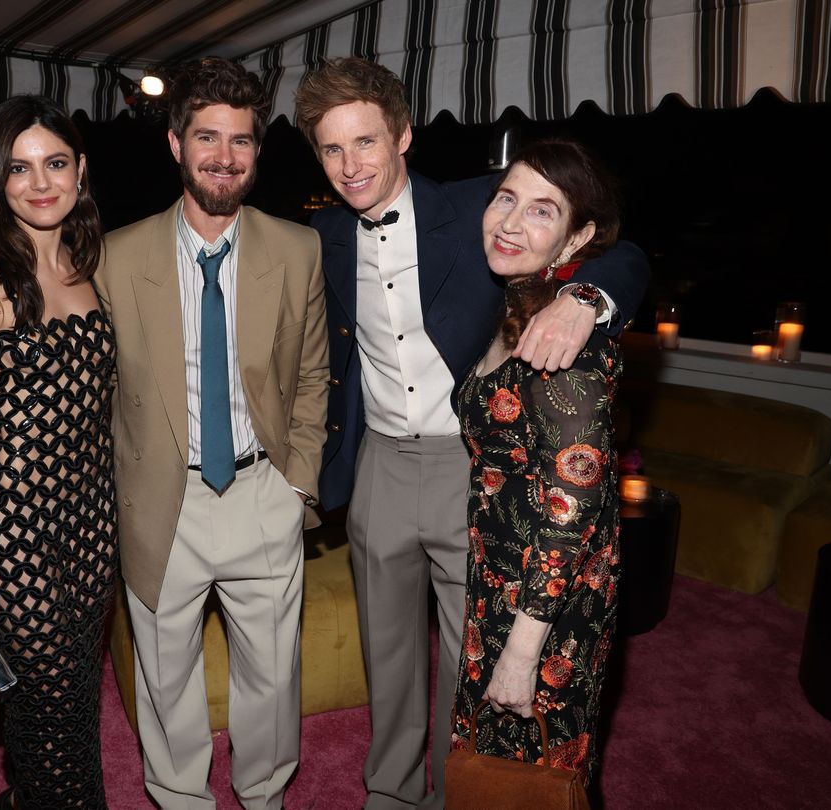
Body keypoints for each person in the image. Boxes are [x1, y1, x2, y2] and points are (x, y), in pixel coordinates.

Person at [293, 58, 648, 810]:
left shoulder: (483, 209)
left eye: (365, 142)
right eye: (332, 149)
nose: (351, 165)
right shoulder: (319, 233)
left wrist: (588, 296)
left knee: (473, 657)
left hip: (473, 470)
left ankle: (465, 794)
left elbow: (624, 250)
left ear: (403, 137)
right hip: (380, 467)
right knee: (386, 656)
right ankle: (389, 792)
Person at [0, 58, 329, 809]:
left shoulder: (300, 250)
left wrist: (298, 484)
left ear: (258, 152)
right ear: (176, 143)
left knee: (273, 677)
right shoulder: (113, 257)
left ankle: (264, 796)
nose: (223, 156)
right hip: (158, 501)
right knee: (165, 681)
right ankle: (181, 801)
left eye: (241, 141)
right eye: (207, 136)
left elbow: (313, 380)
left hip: (262, 488)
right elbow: (59, 359)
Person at [0, 94, 116, 810]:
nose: (40, 183)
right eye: (19, 167)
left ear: (80, 171)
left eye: (56, 163)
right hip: (16, 533)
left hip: (94, 524)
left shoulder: (87, 264)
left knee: (77, 704)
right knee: (44, 716)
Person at [449, 138, 625, 790]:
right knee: (489, 770)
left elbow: (572, 513)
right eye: (506, 199)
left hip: (544, 609)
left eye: (543, 211)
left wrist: (522, 657)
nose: (512, 222)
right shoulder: (515, 305)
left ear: (577, 236)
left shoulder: (565, 347)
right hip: (497, 583)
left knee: (536, 777)